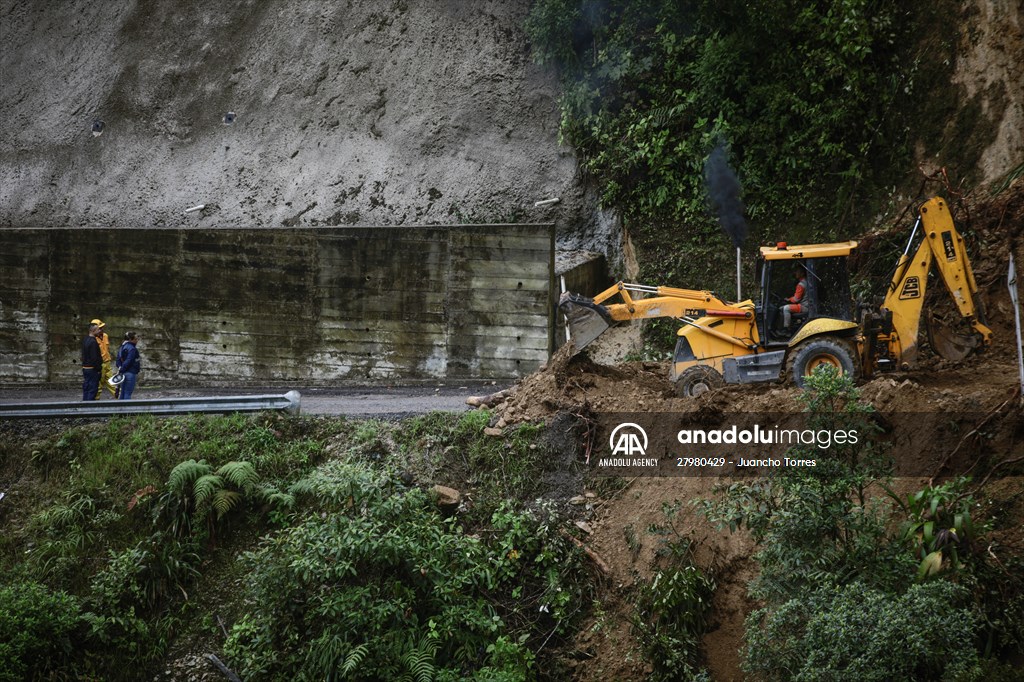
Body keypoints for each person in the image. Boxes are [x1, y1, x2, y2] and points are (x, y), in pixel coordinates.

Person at [91, 318, 116, 399]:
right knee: (98, 385)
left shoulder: (105, 336)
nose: (102, 329)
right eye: (100, 328)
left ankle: (120, 399)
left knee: (113, 383)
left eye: (102, 328)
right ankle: (95, 401)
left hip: (107, 362)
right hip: (100, 364)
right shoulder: (93, 339)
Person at [779, 265, 807, 332]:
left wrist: (788, 299)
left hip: (804, 306)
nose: (795, 273)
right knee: (783, 308)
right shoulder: (806, 282)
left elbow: (796, 299)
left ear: (802, 274)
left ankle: (786, 329)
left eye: (797, 272)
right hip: (807, 305)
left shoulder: (801, 285)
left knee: (786, 308)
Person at [116, 331, 142, 400]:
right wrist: (123, 368)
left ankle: (120, 406)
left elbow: (118, 360)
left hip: (122, 373)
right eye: (135, 339)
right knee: (127, 393)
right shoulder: (132, 348)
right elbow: (129, 360)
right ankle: (127, 407)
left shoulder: (122, 347)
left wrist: (120, 368)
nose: (137, 341)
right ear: (130, 339)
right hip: (130, 372)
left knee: (122, 392)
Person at [81, 322, 102, 401]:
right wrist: (98, 369)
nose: (99, 331)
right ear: (93, 331)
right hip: (92, 369)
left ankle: (85, 404)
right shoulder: (93, 342)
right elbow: (94, 357)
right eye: (98, 329)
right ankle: (89, 405)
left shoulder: (85, 340)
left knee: (87, 388)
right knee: (92, 389)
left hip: (85, 367)